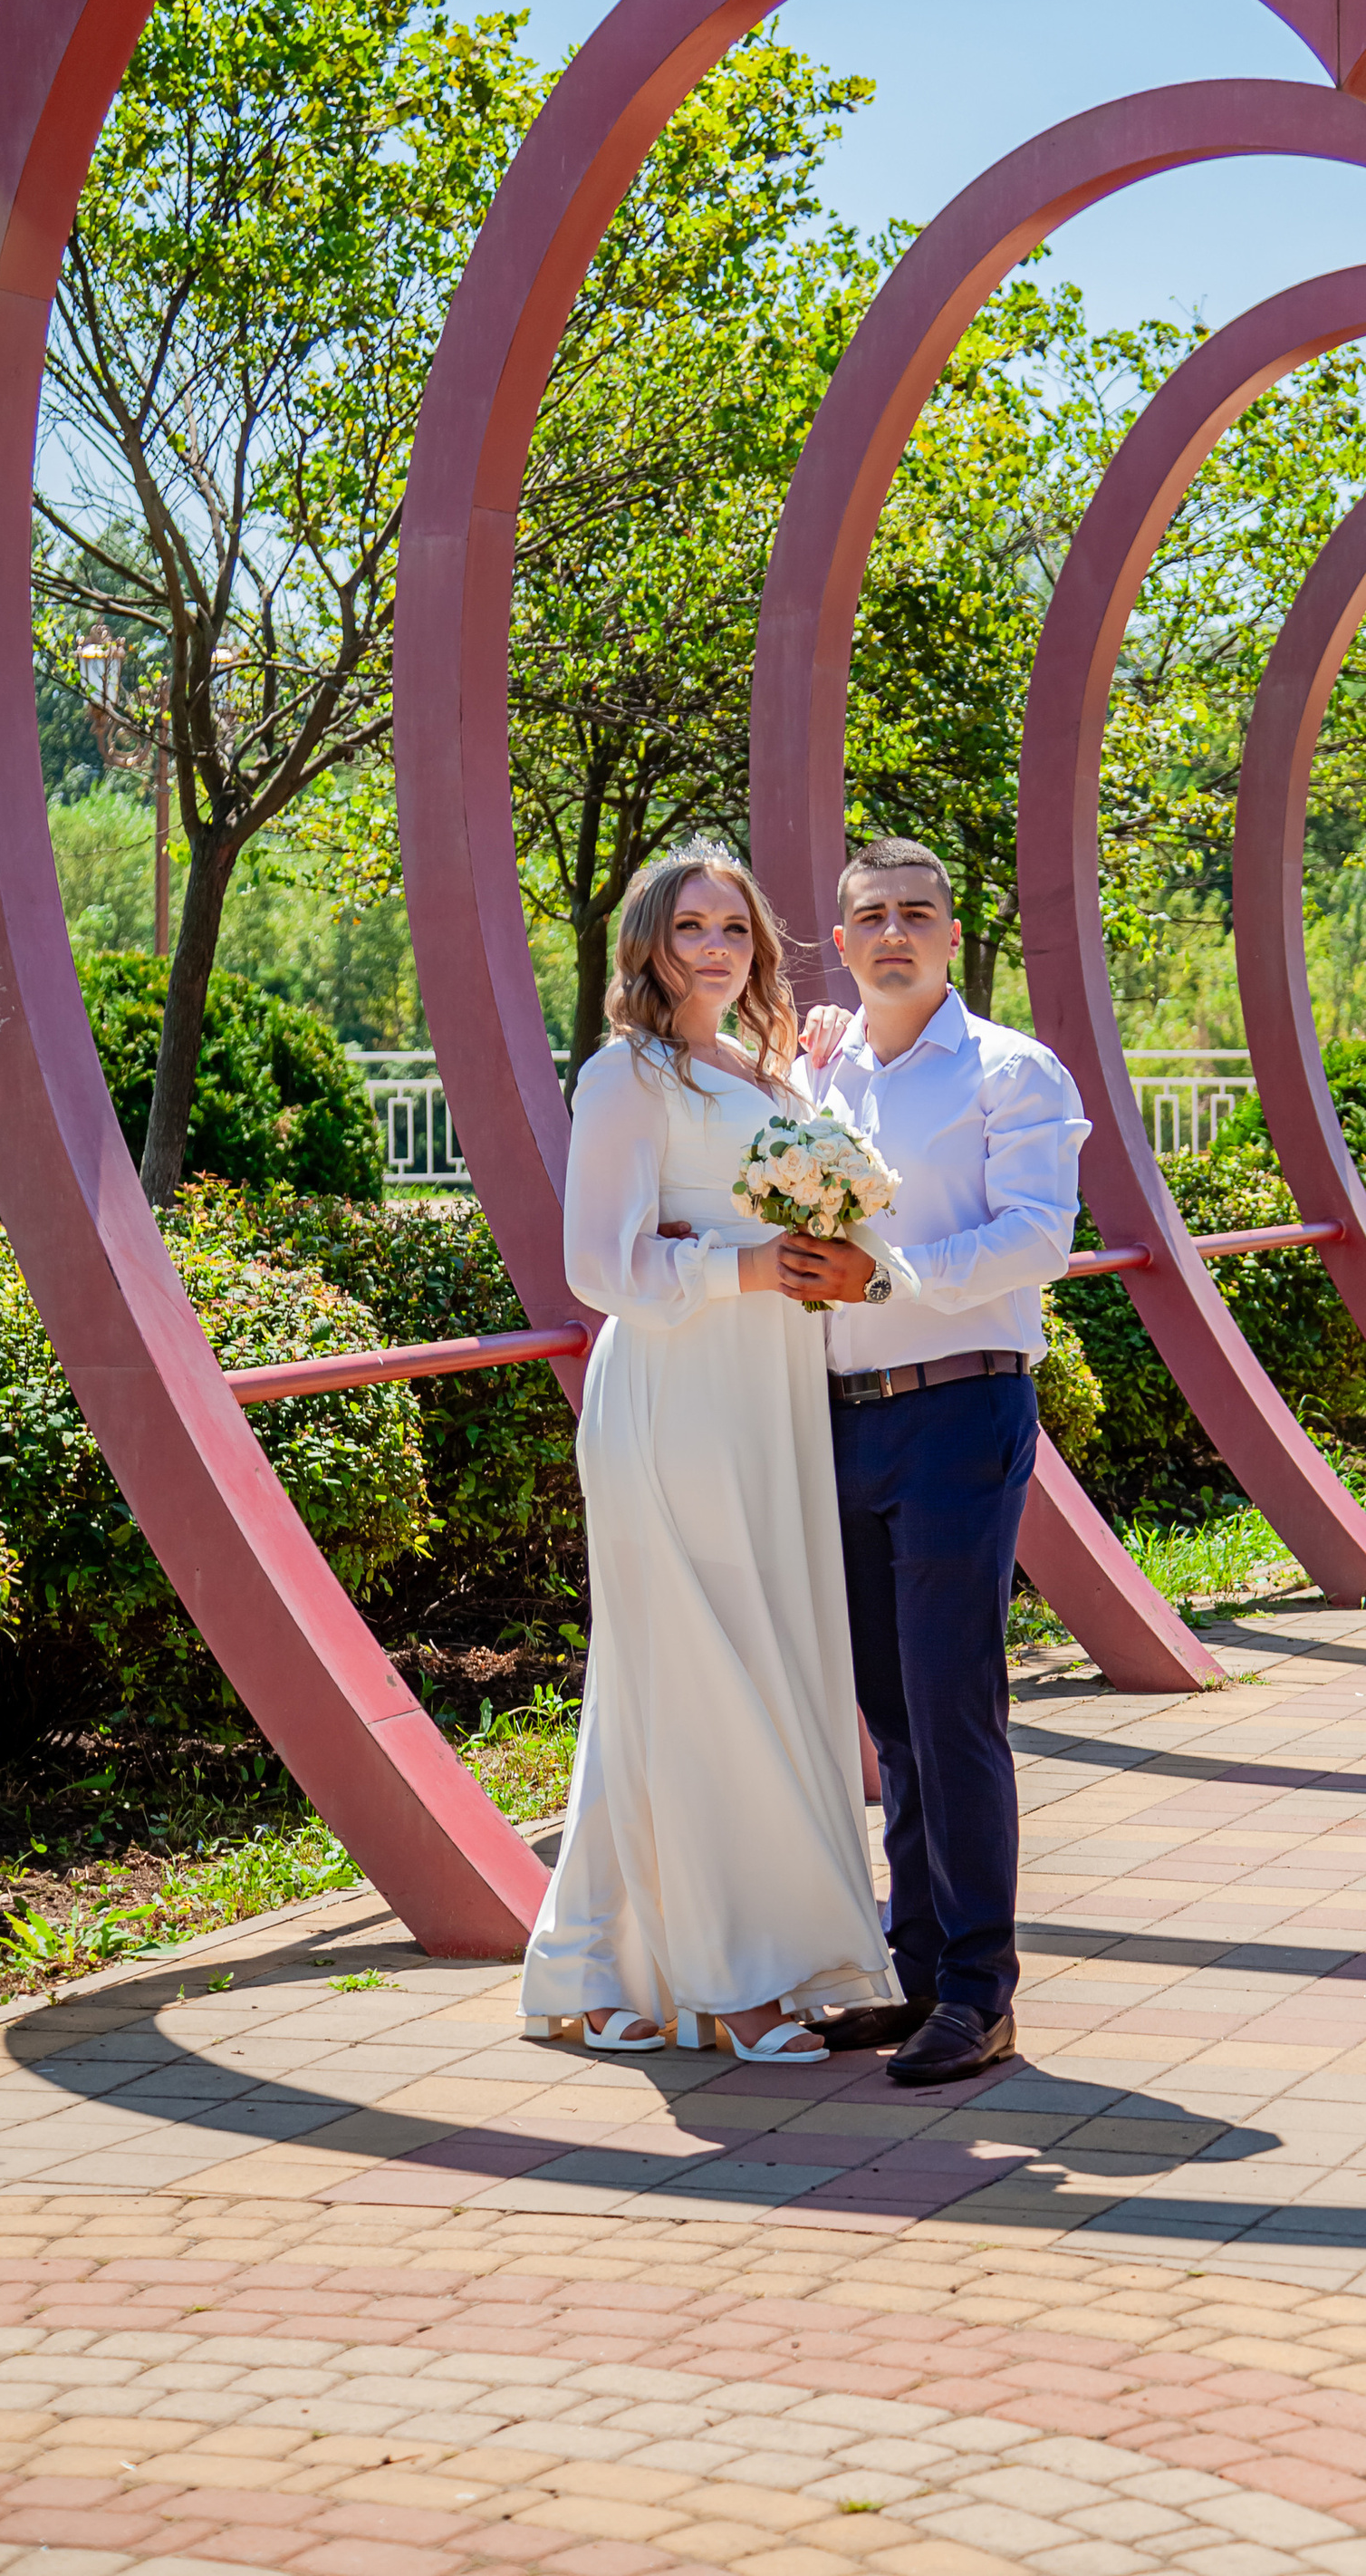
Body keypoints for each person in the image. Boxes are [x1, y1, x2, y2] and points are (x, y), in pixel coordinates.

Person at [519, 849, 900, 2059]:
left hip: (771, 1393)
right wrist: (737, 1267)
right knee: (701, 1674)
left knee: (680, 1679)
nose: (718, 946)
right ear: (651, 941)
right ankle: (731, 1980)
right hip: (677, 1397)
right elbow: (595, 1266)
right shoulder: (627, 1076)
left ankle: (591, 1967)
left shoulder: (767, 1070)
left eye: (734, 926)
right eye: (692, 926)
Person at [782, 835, 1091, 2087]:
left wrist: (893, 1274)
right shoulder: (819, 1078)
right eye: (871, 917)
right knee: (893, 1714)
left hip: (962, 1412)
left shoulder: (1010, 1071)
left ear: (954, 935)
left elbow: (1040, 1238)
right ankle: (915, 1979)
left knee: (954, 1705)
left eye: (918, 914)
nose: (894, 935)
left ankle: (981, 1991)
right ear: (842, 941)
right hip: (838, 1415)